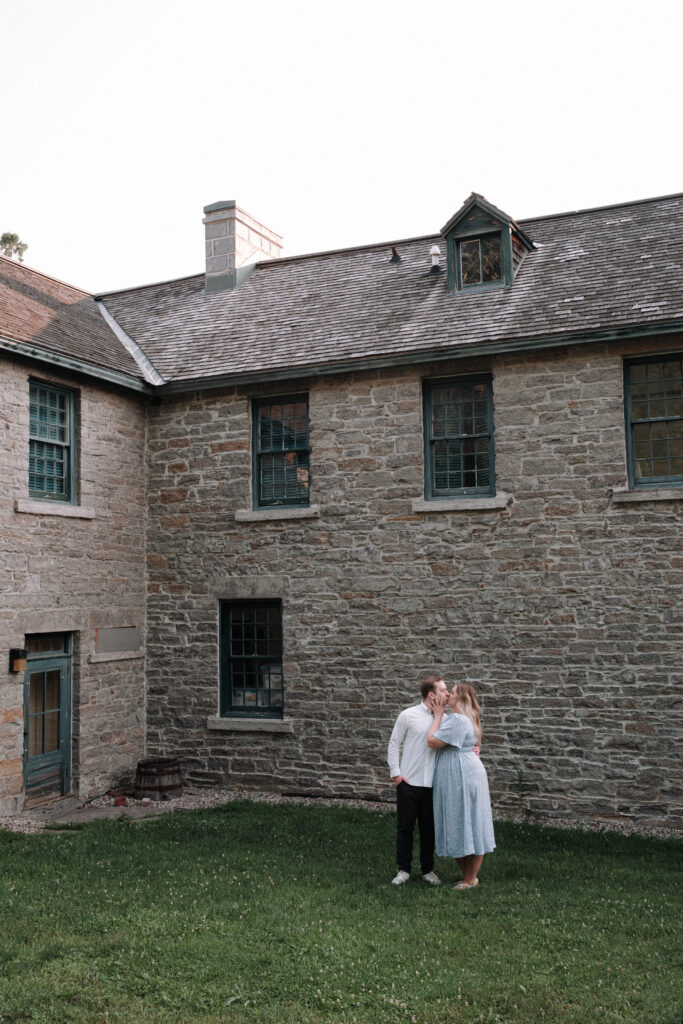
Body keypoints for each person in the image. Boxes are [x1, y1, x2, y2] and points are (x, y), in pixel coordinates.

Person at [427, 683, 495, 890]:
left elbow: (431, 741)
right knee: (468, 819)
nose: (448, 694)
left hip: (462, 775)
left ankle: (469, 878)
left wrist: (438, 715)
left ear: (461, 699)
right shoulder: (468, 718)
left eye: (452, 692)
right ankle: (468, 877)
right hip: (465, 772)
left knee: (462, 819)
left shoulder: (457, 719)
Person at [387, 673, 448, 886]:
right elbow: (394, 743)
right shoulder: (408, 715)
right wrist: (396, 774)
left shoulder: (446, 720)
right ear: (431, 695)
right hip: (408, 783)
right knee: (405, 828)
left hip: (432, 785)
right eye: (443, 691)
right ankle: (403, 869)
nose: (447, 694)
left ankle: (427, 869)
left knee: (428, 829)